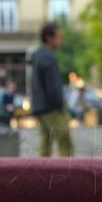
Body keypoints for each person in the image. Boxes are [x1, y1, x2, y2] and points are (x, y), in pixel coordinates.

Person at [30, 22, 73, 157]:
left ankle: (41, 175)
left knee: (45, 144)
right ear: (49, 38)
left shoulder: (39, 56)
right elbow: (52, 87)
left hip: (42, 107)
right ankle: (68, 174)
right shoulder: (47, 57)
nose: (61, 40)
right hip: (51, 108)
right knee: (65, 143)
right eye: (59, 37)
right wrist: (59, 104)